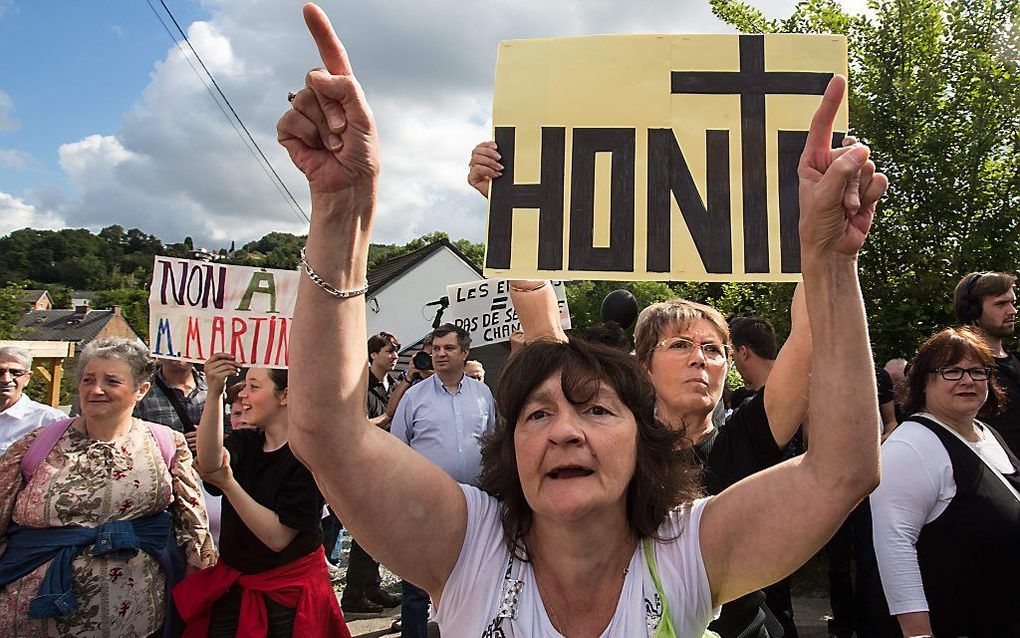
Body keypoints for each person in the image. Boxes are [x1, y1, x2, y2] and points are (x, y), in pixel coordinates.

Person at [279, 5, 885, 636]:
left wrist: (830, 260)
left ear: (643, 435)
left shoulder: (688, 553)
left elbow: (843, 470)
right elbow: (327, 431)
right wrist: (342, 210)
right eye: (538, 414)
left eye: (596, 411)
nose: (564, 431)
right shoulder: (466, 548)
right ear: (510, 445)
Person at [0, 336, 215, 637]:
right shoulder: (34, 445)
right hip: (32, 617)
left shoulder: (166, 443)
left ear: (141, 390)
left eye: (111, 381)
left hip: (135, 619)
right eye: (88, 379)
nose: (96, 389)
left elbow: (195, 532)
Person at [173, 354, 348, 638]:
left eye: (254, 386)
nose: (242, 394)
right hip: (235, 586)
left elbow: (277, 537)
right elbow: (209, 464)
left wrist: (229, 485)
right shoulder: (247, 441)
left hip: (286, 598)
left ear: (285, 396)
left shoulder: (309, 458)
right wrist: (214, 392)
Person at [869, 327, 1020, 637]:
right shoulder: (910, 447)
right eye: (952, 371)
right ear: (924, 381)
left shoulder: (986, 433)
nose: (967, 380)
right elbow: (895, 549)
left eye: (977, 371)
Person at [390, 323, 497, 637]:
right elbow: (397, 449)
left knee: (471, 580)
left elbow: (492, 442)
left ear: (465, 353)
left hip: (475, 508)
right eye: (435, 349)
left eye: (448, 348)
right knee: (419, 587)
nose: (440, 354)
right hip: (426, 507)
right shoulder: (414, 397)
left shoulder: (483, 394)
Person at [338, 332, 403, 615]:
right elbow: (356, 426)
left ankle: (371, 586)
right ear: (373, 354)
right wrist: (387, 416)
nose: (394, 356)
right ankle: (353, 595)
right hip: (365, 467)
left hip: (387, 464)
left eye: (396, 351)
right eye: (389, 351)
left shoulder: (394, 384)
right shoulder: (360, 386)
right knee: (366, 535)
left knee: (382, 534)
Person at [952, 271, 1020, 453]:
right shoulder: (958, 369)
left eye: (1012, 303)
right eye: (1001, 304)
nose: (1012, 311)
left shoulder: (1016, 361)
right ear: (973, 310)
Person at [134, 358, 208, 454]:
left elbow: (228, 428)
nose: (177, 351)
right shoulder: (141, 390)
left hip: (203, 463)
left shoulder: (213, 385)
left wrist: (209, 438)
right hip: (160, 463)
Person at [0, 346, 64, 455]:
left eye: (15, 372)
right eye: (0, 372)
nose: (6, 379)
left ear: (27, 378)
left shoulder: (50, 421)